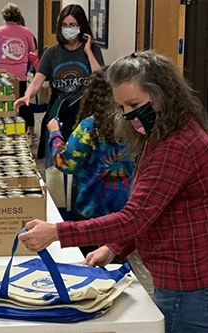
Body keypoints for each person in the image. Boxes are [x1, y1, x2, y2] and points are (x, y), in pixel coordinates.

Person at [19, 50, 208, 333]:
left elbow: (135, 217)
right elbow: (154, 209)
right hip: (178, 276)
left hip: (187, 282)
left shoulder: (175, 146)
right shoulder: (163, 133)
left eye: (135, 104)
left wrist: (57, 232)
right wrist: (115, 247)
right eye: (122, 107)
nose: (130, 115)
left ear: (163, 95)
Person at [46, 66, 134, 257]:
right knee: (116, 261)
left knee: (91, 260)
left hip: (90, 210)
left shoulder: (90, 127)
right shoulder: (133, 124)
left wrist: (55, 133)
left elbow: (66, 162)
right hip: (125, 210)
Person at [13, 4, 104, 159]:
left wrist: (88, 52)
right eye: (65, 25)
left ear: (81, 26)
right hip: (58, 113)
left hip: (83, 114)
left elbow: (100, 79)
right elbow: (37, 81)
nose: (68, 29)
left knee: (79, 161)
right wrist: (27, 95)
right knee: (55, 162)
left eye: (73, 25)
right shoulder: (52, 53)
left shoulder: (93, 50)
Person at [0, 3, 36, 138]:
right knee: (23, 103)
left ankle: (3, 131)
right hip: (20, 75)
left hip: (2, 75)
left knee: (2, 103)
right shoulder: (26, 31)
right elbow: (31, 49)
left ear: (4, 17)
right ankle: (28, 131)